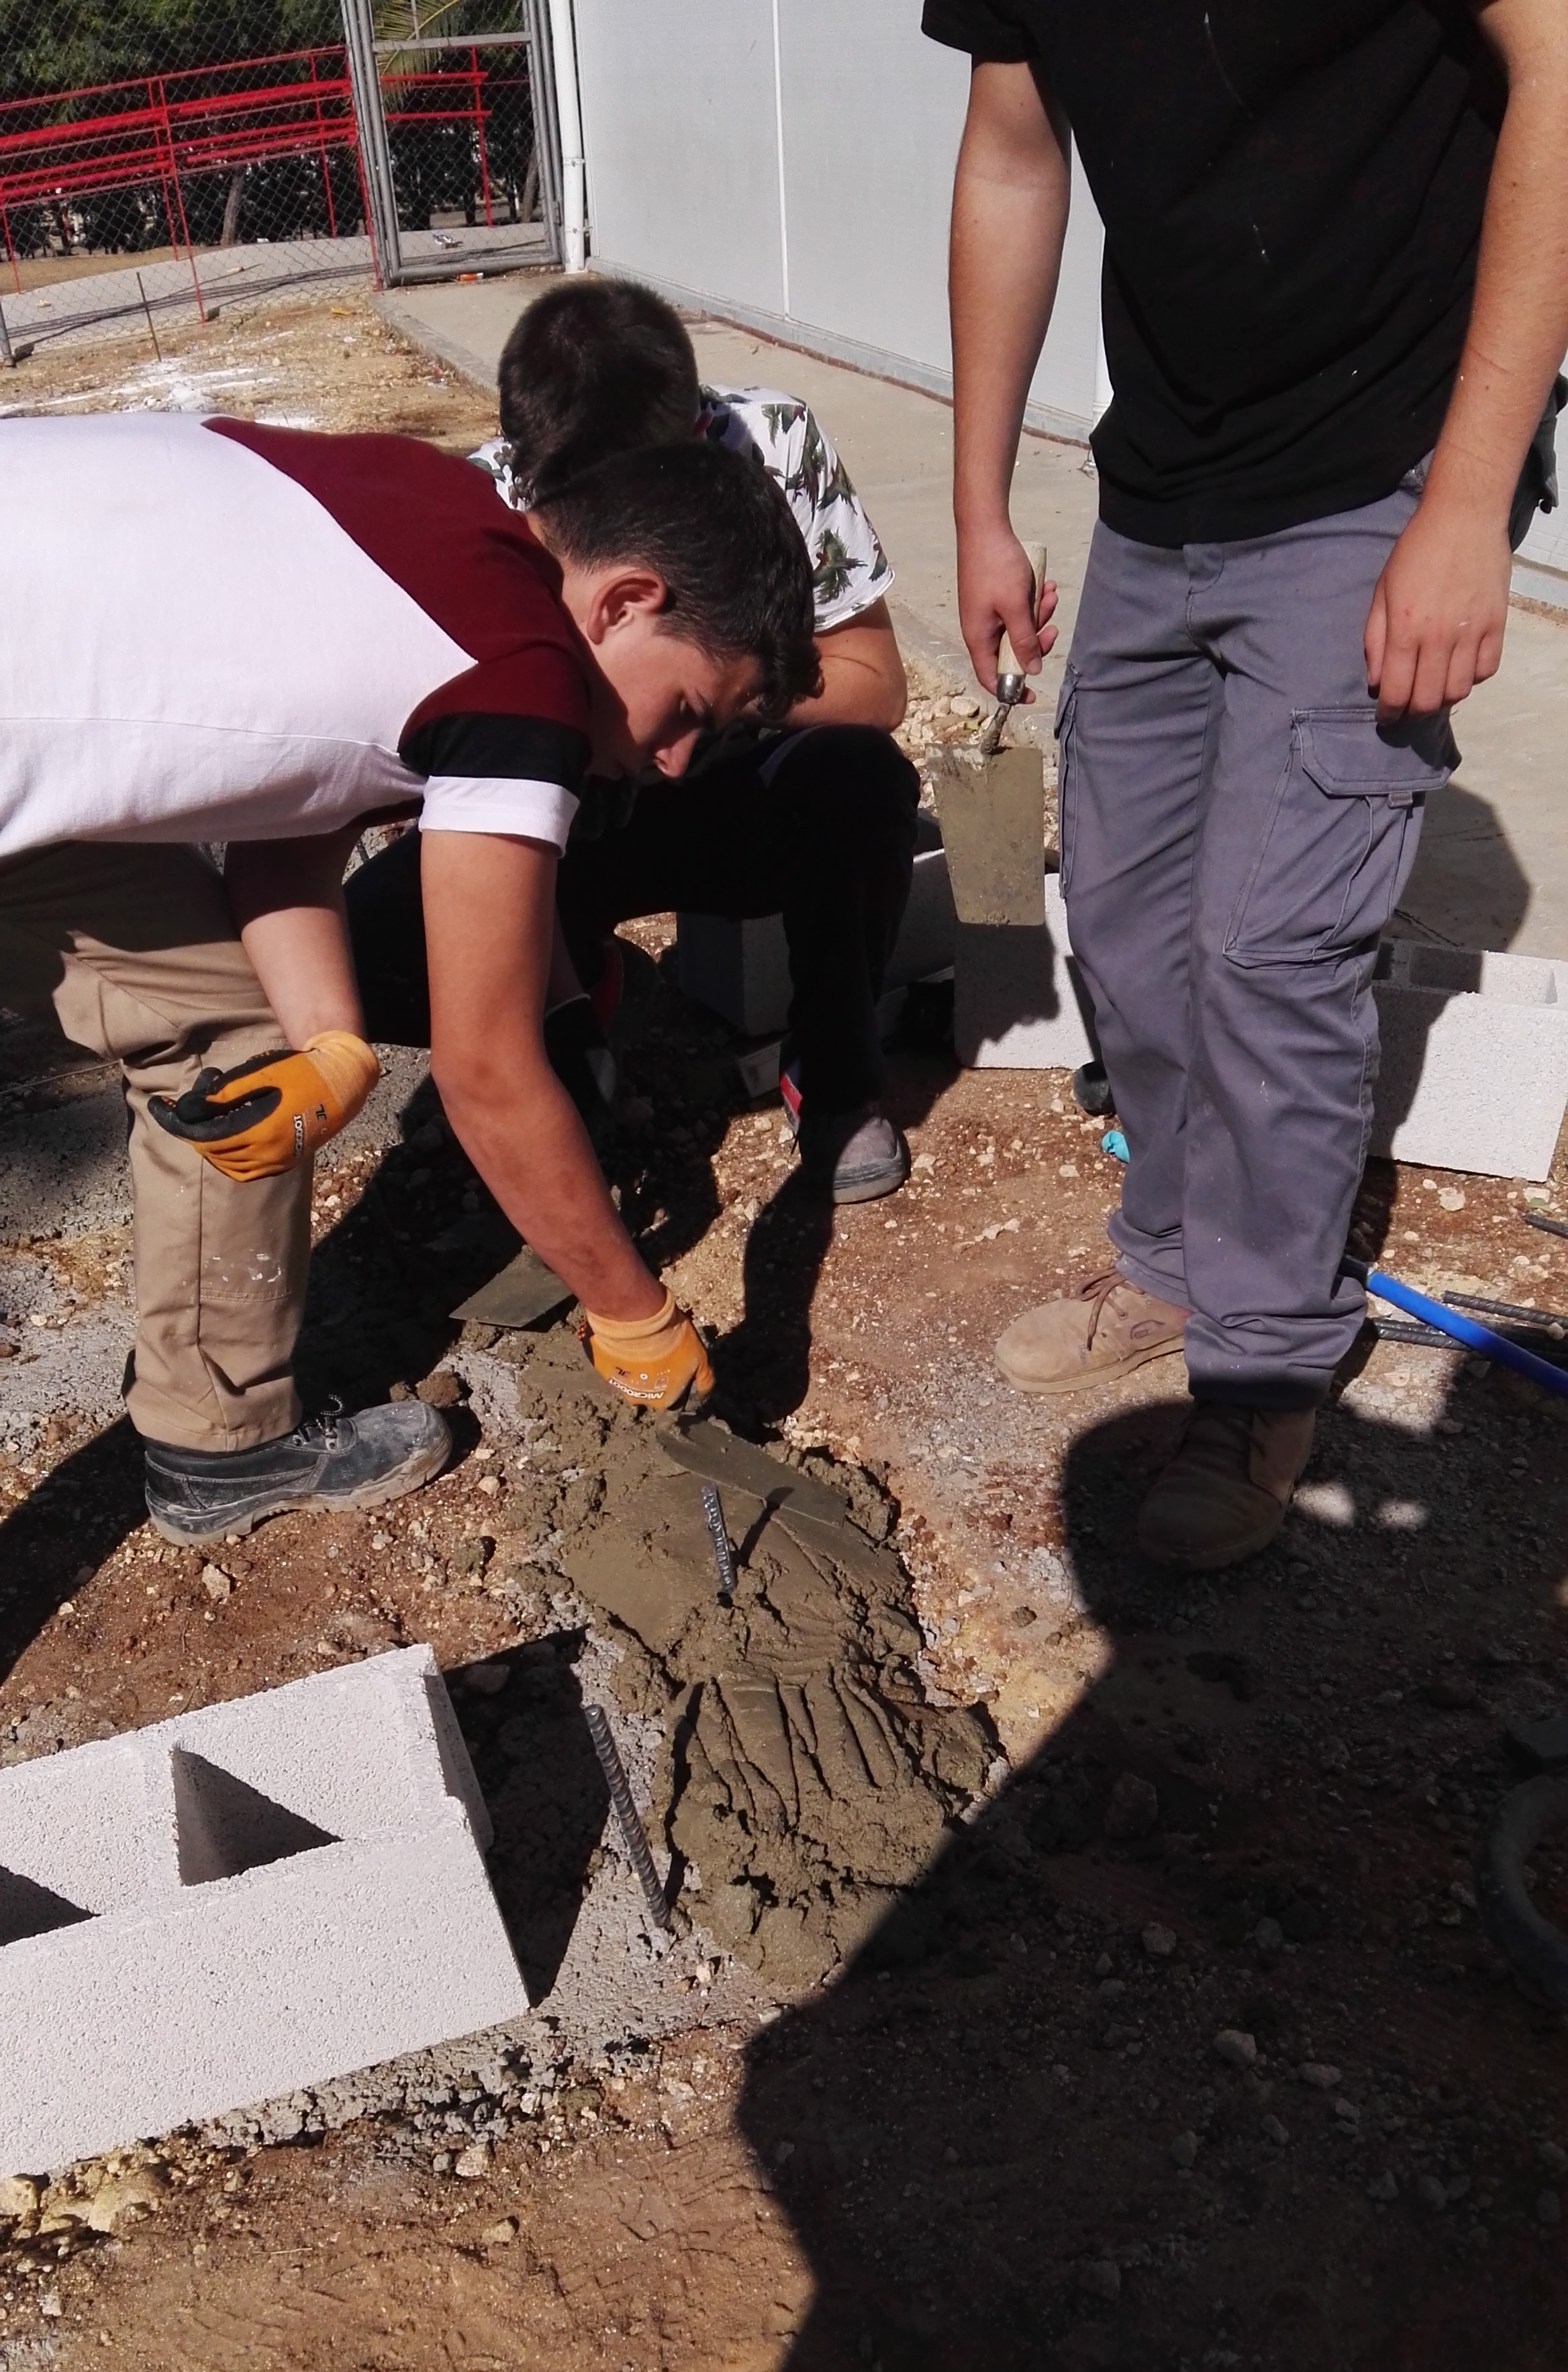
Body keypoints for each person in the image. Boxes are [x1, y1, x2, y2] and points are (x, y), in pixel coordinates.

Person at [924, 0, 1568, 1568]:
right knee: (1126, 920)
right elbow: (1011, 153)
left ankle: (1268, 1362)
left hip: (1384, 454)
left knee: (1266, 952)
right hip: (1164, 474)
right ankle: (1169, 1251)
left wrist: (1468, 503)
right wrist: (979, 503)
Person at [0, 412, 816, 1543]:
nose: (674, 763)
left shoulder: (441, 528)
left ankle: (217, 1446)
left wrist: (331, 1042)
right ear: (626, 601)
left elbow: (285, 832)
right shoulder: (520, 676)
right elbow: (488, 1073)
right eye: (686, 711)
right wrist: (631, 1310)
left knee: (224, 1034)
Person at [348, 275, 921, 1205]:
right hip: (565, 815)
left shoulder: (776, 443)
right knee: (364, 943)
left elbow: (875, 682)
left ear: (697, 436)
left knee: (860, 781)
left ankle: (835, 1074)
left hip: (735, 797)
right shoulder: (485, 495)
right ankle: (568, 1017)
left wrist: (715, 697)